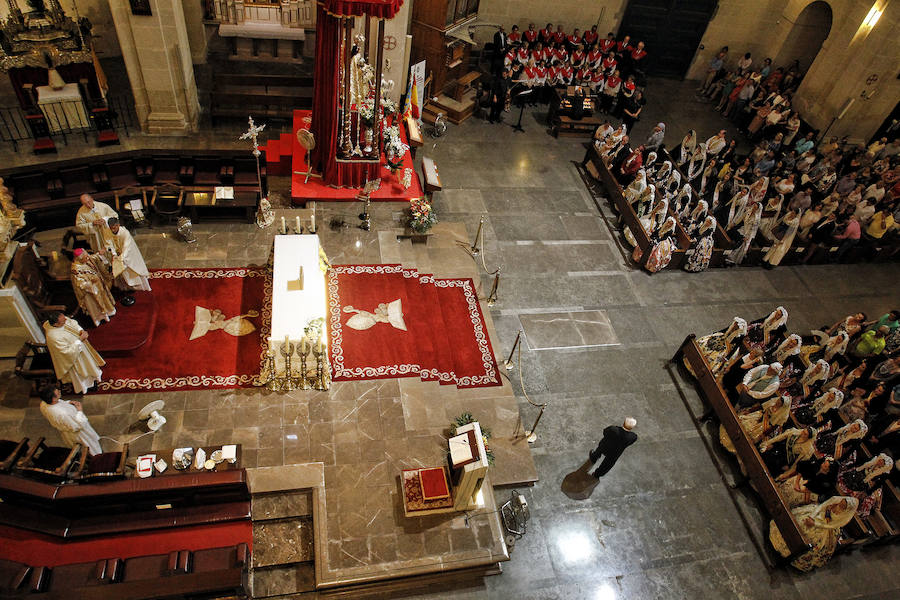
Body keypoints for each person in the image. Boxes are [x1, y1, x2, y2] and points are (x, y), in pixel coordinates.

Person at [769, 496, 859, 572]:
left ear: (847, 509)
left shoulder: (844, 518)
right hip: (816, 514)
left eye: (842, 506)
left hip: (824, 526)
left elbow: (831, 526)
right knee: (800, 521)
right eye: (841, 502)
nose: (840, 504)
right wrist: (811, 516)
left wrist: (815, 524)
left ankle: (791, 552)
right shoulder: (836, 499)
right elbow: (822, 506)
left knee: (816, 542)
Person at [43, 311, 105, 394]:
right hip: (73, 358)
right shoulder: (53, 337)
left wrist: (81, 331)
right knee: (82, 371)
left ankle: (95, 376)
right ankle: (86, 386)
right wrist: (79, 340)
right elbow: (66, 352)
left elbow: (72, 323)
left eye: (64, 318)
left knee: (89, 364)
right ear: (55, 324)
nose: (65, 320)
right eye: (63, 321)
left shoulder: (61, 319)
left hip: (81, 347)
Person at [39, 385, 102, 456]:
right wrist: (79, 410)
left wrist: (68, 402)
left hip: (66, 428)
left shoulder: (43, 403)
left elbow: (59, 403)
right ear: (53, 398)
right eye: (58, 393)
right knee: (90, 446)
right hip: (78, 433)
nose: (60, 392)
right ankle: (97, 457)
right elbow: (78, 426)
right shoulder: (63, 414)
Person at [71, 247, 116, 327]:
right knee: (95, 306)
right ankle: (100, 318)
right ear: (80, 259)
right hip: (90, 292)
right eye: (86, 257)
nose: (88, 258)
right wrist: (91, 282)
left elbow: (92, 258)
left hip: (98, 286)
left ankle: (109, 311)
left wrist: (100, 254)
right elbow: (80, 284)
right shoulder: (75, 270)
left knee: (104, 299)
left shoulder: (84, 259)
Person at [107, 217, 151, 291]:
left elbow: (126, 247)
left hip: (128, 255)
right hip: (118, 255)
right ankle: (126, 287)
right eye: (111, 228)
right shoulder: (108, 231)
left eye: (114, 228)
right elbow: (109, 242)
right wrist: (114, 254)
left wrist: (121, 257)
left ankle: (139, 286)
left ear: (118, 225)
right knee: (122, 273)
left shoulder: (125, 233)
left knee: (133, 270)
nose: (112, 230)